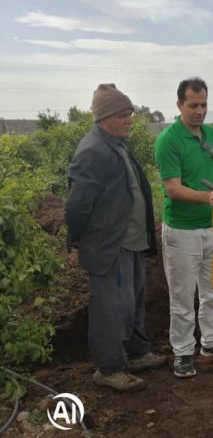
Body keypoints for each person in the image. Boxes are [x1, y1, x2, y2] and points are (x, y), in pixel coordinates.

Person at [65, 84, 166, 392]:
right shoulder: (92, 151)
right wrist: (78, 239)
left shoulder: (115, 144)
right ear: (104, 117)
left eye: (130, 114)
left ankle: (136, 353)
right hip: (110, 245)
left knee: (133, 299)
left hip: (131, 241)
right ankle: (109, 369)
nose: (129, 120)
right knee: (112, 306)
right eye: (123, 115)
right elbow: (77, 205)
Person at [154, 77, 213, 378]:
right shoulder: (168, 141)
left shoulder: (211, 134)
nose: (200, 111)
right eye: (193, 105)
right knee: (182, 296)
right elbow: (173, 189)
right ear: (179, 105)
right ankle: (183, 352)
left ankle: (211, 342)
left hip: (212, 227)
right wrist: (208, 198)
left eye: (204, 104)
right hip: (182, 232)